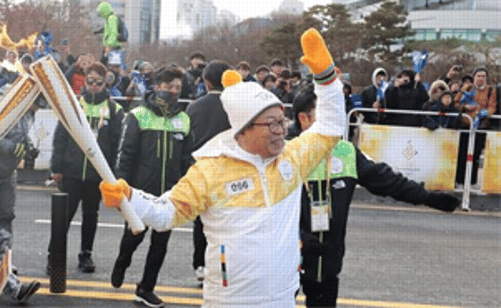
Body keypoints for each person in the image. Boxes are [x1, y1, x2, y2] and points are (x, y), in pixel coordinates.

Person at [100, 28, 345, 306]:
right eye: (271, 124)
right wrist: (129, 197)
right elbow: (166, 213)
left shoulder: (292, 158)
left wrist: (327, 81)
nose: (281, 130)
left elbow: (330, 127)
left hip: (283, 298)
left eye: (282, 120)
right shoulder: (211, 171)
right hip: (229, 300)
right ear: (243, 130)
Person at [288, 86, 460, 307]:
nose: (335, 119)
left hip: (329, 260)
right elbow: (265, 210)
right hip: (289, 258)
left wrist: (427, 197)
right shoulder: (286, 153)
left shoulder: (345, 152)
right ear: (304, 118)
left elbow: (386, 180)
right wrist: (299, 238)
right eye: (327, 113)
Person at [109, 68, 192, 307]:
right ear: (157, 86)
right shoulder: (138, 115)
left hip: (170, 195)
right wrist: (120, 190)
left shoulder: (183, 120)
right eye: (169, 86)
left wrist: (187, 187)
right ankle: (122, 261)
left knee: (160, 245)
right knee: (134, 235)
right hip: (139, 193)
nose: (174, 92)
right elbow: (125, 155)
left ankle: (146, 288)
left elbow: (188, 159)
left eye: (178, 87)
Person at [47, 62, 124, 275]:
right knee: (63, 217)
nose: (93, 85)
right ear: (85, 81)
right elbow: (60, 138)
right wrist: (56, 167)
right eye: (90, 81)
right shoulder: (73, 104)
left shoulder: (114, 109)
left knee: (91, 215)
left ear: (105, 82)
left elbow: (118, 143)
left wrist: (113, 174)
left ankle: (86, 254)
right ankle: (54, 256)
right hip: (71, 172)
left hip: (96, 174)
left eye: (99, 82)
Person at [0, 87, 41, 305]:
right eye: (36, 104)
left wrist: (27, 148)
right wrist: (11, 148)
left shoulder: (28, 112)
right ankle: (8, 281)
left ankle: (3, 264)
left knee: (5, 218)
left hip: (7, 172)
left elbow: (20, 136)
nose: (36, 109)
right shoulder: (0, 104)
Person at [184, 61, 233, 285]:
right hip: (230, 168)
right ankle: (223, 266)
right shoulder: (235, 106)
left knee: (201, 222)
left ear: (206, 81)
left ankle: (200, 264)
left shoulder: (193, 107)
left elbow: (187, 141)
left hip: (202, 168)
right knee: (229, 220)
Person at [453, 67, 497, 187]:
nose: (481, 79)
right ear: (474, 77)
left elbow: (492, 106)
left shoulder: (491, 90)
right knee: (462, 152)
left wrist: (486, 113)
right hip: (465, 124)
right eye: (478, 76)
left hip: (480, 125)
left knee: (475, 154)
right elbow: (455, 104)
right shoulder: (467, 88)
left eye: (483, 76)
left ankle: (471, 181)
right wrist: (465, 107)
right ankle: (458, 179)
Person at [96, 1, 125, 67]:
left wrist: (109, 45)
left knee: (111, 66)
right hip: (111, 47)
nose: (100, 14)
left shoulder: (111, 18)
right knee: (105, 65)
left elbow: (113, 32)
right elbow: (109, 31)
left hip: (113, 48)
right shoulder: (108, 19)